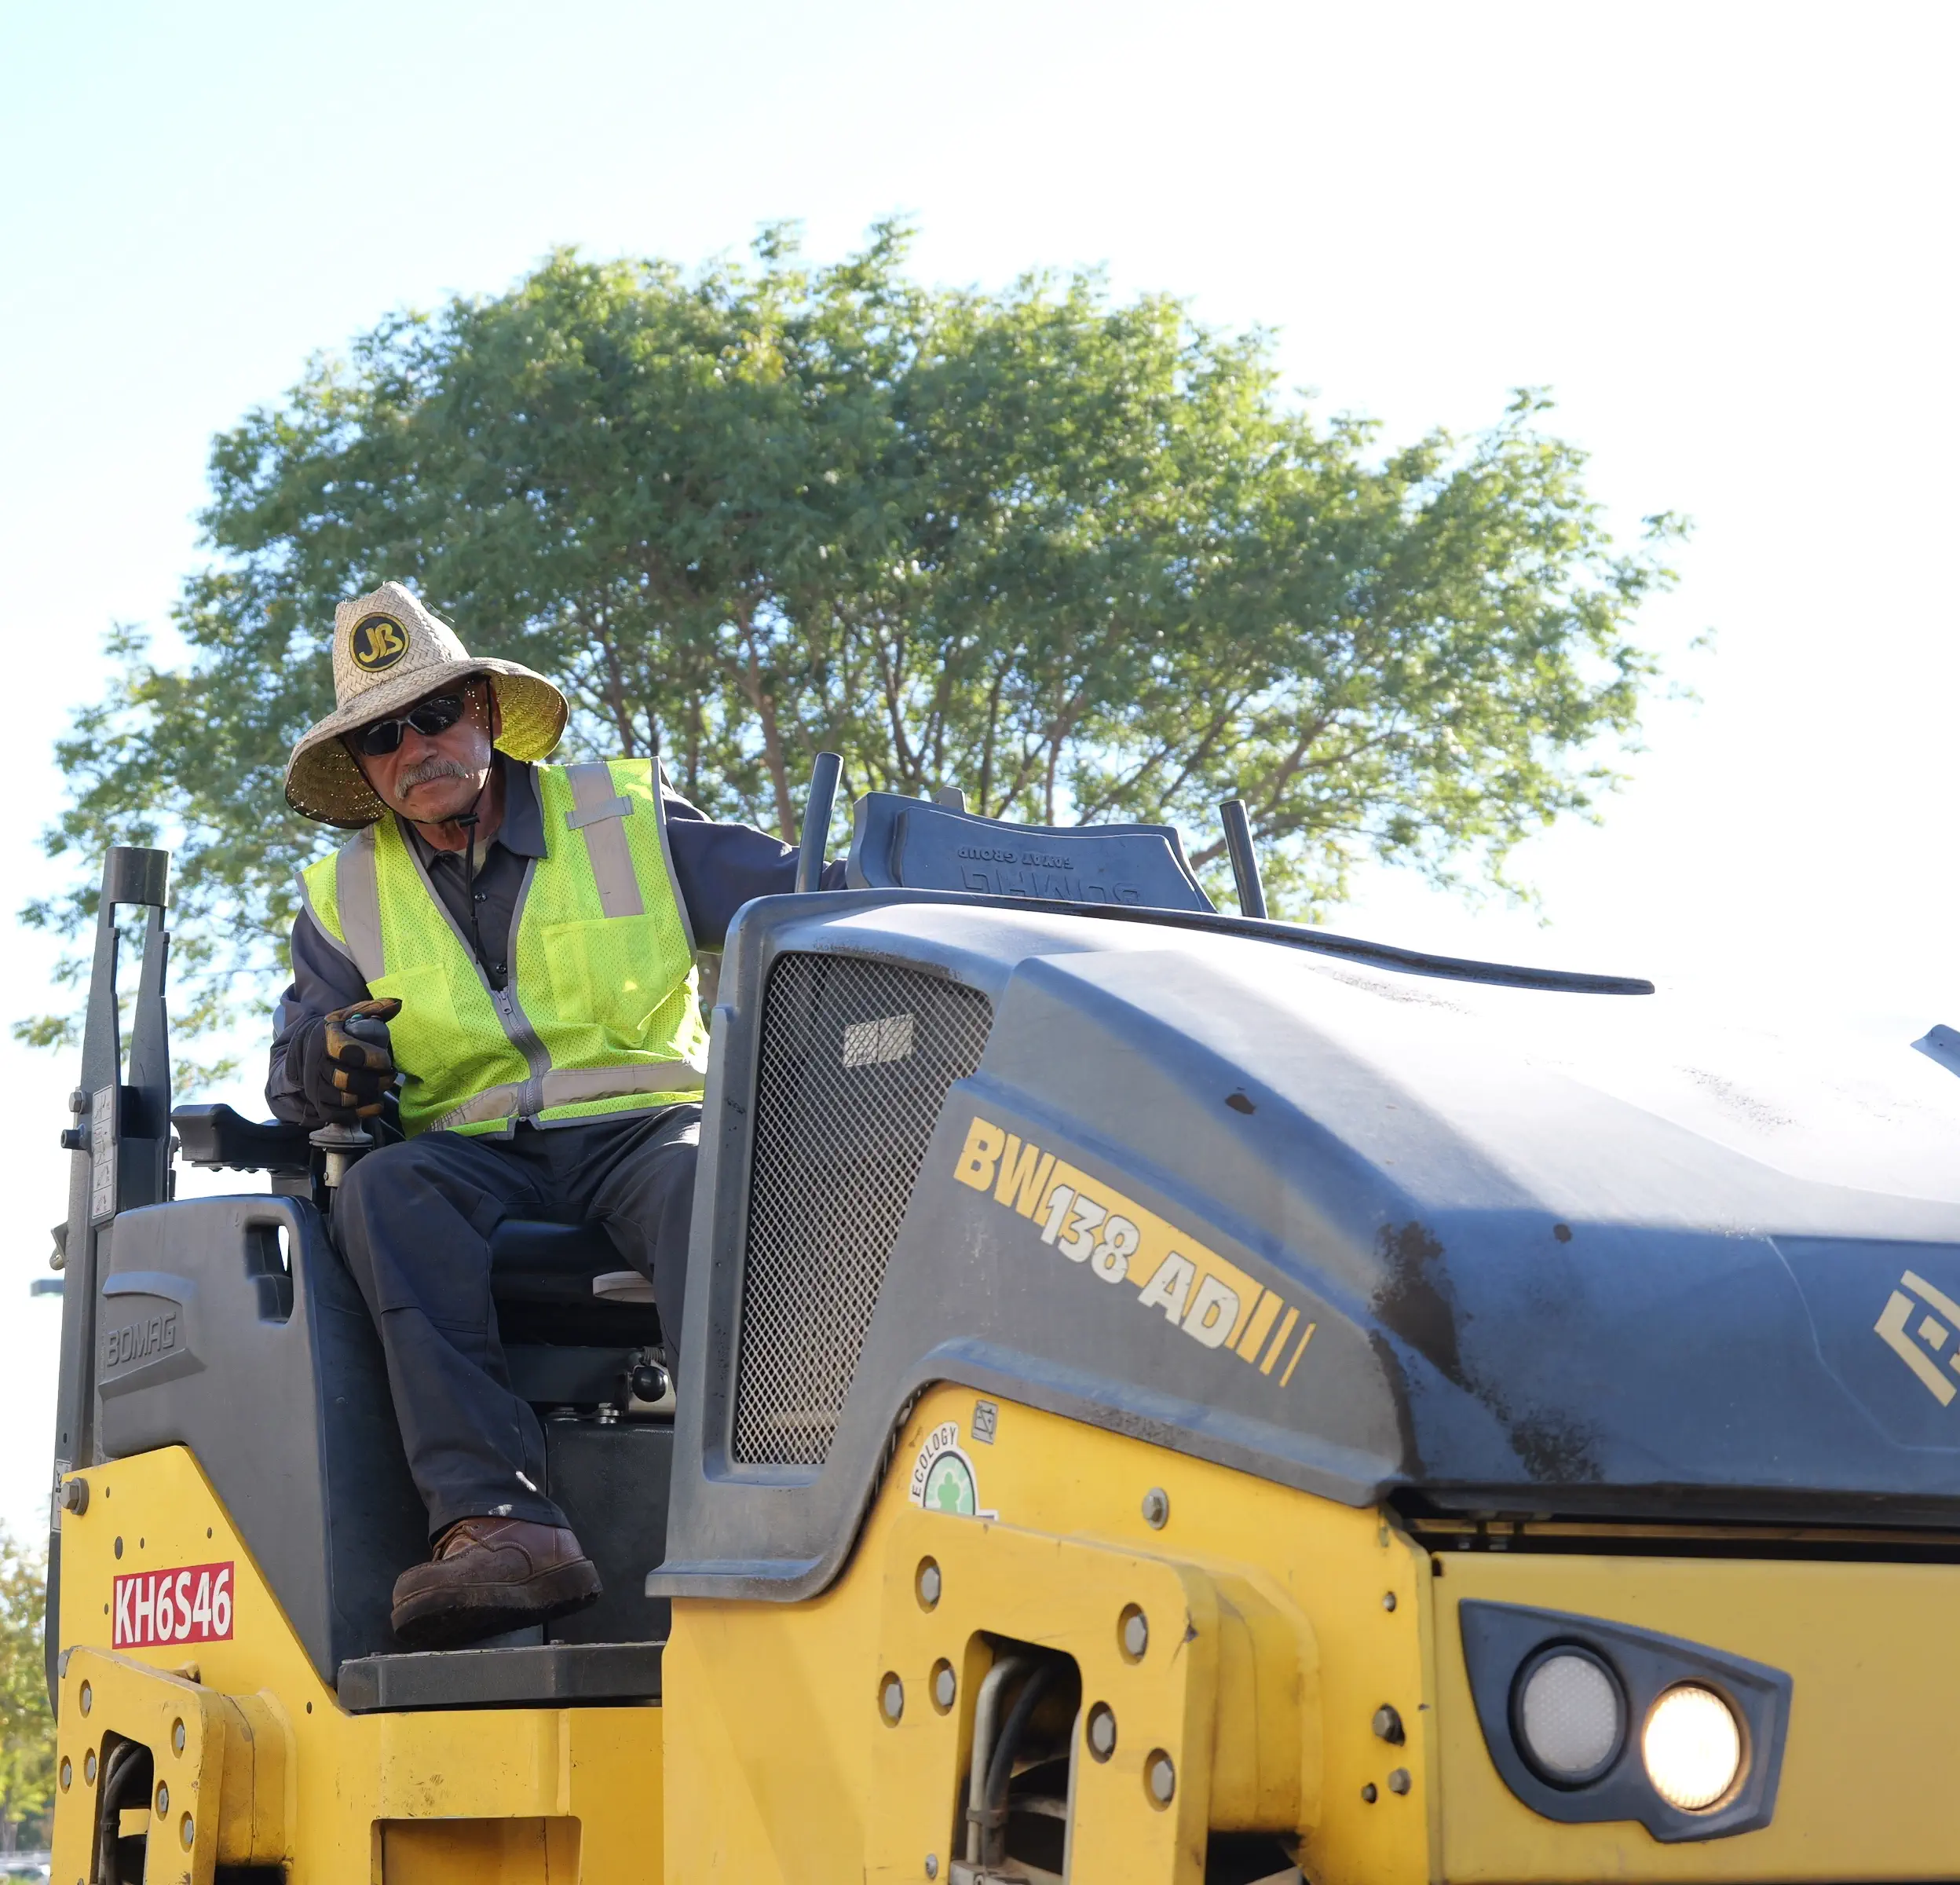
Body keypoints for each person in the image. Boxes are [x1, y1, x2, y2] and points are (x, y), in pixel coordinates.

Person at [270, 581, 839, 1649]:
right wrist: (328, 1064)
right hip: (473, 1152)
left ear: (485, 711)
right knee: (384, 1190)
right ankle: (502, 1526)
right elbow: (297, 1068)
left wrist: (929, 886)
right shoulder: (345, 891)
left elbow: (807, 902)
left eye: (435, 714)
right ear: (365, 767)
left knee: (710, 1176)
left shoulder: (620, 817)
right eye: (385, 735)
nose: (417, 747)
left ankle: (774, 1500)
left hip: (644, 1128)